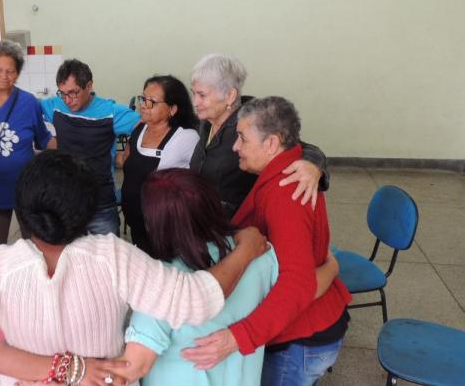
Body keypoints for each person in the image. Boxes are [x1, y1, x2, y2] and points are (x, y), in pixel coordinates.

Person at [0, 150, 269, 385]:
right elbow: (198, 300)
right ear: (88, 211)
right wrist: (246, 249)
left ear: (24, 212)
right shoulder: (114, 256)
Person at [95, 168, 339, 385]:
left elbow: (131, 369)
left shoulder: (161, 283)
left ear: (156, 221)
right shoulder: (260, 253)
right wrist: (332, 264)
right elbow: (307, 287)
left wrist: (67, 365)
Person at [181, 96, 351, 385]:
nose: (235, 147)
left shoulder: (286, 192)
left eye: (242, 139)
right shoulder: (282, 172)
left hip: (300, 338)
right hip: (296, 325)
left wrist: (238, 337)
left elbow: (296, 283)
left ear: (271, 144)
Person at [188, 53, 328, 217]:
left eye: (202, 95)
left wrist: (313, 166)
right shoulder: (205, 123)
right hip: (202, 219)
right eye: (194, 93)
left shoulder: (252, 123)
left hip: (240, 226)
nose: (195, 102)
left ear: (230, 96)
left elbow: (303, 149)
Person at [0, 40, 53, 249]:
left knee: (34, 247)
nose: (4, 77)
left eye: (10, 71)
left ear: (18, 73)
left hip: (26, 187)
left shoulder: (29, 102)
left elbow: (44, 139)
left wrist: (74, 143)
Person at [41, 59, 140, 235]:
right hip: (67, 201)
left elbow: (144, 125)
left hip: (100, 201)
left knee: (108, 257)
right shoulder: (56, 106)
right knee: (72, 257)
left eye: (73, 93)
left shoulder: (111, 111)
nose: (67, 100)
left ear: (89, 86)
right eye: (62, 93)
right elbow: (27, 106)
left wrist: (124, 150)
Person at [116, 75, 199, 256]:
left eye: (151, 102)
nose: (144, 105)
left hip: (165, 229)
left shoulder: (186, 137)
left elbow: (198, 183)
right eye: (143, 99)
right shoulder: (139, 129)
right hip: (136, 226)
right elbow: (124, 161)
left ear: (172, 109)